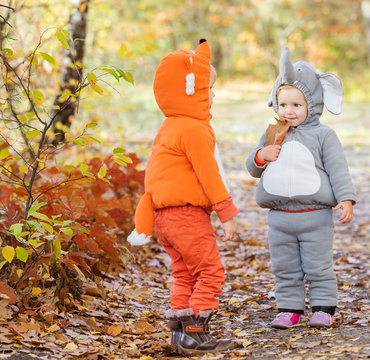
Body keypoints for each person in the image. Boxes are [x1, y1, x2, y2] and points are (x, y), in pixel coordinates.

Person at [127, 39, 239, 353]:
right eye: (210, 88)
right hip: (187, 216)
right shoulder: (193, 129)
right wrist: (226, 212)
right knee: (210, 271)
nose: (214, 95)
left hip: (164, 218)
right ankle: (194, 330)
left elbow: (154, 176)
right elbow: (208, 173)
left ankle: (180, 335)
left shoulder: (168, 126)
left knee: (184, 272)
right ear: (192, 90)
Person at [246, 47, 356, 329]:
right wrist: (261, 155)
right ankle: (289, 309)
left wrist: (346, 199)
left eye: (297, 105)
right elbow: (253, 168)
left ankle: (322, 308)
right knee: (284, 268)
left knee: (317, 266)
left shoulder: (323, 135)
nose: (289, 111)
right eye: (283, 105)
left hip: (315, 216)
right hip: (279, 217)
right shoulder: (272, 133)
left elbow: (337, 169)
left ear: (313, 104)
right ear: (275, 103)